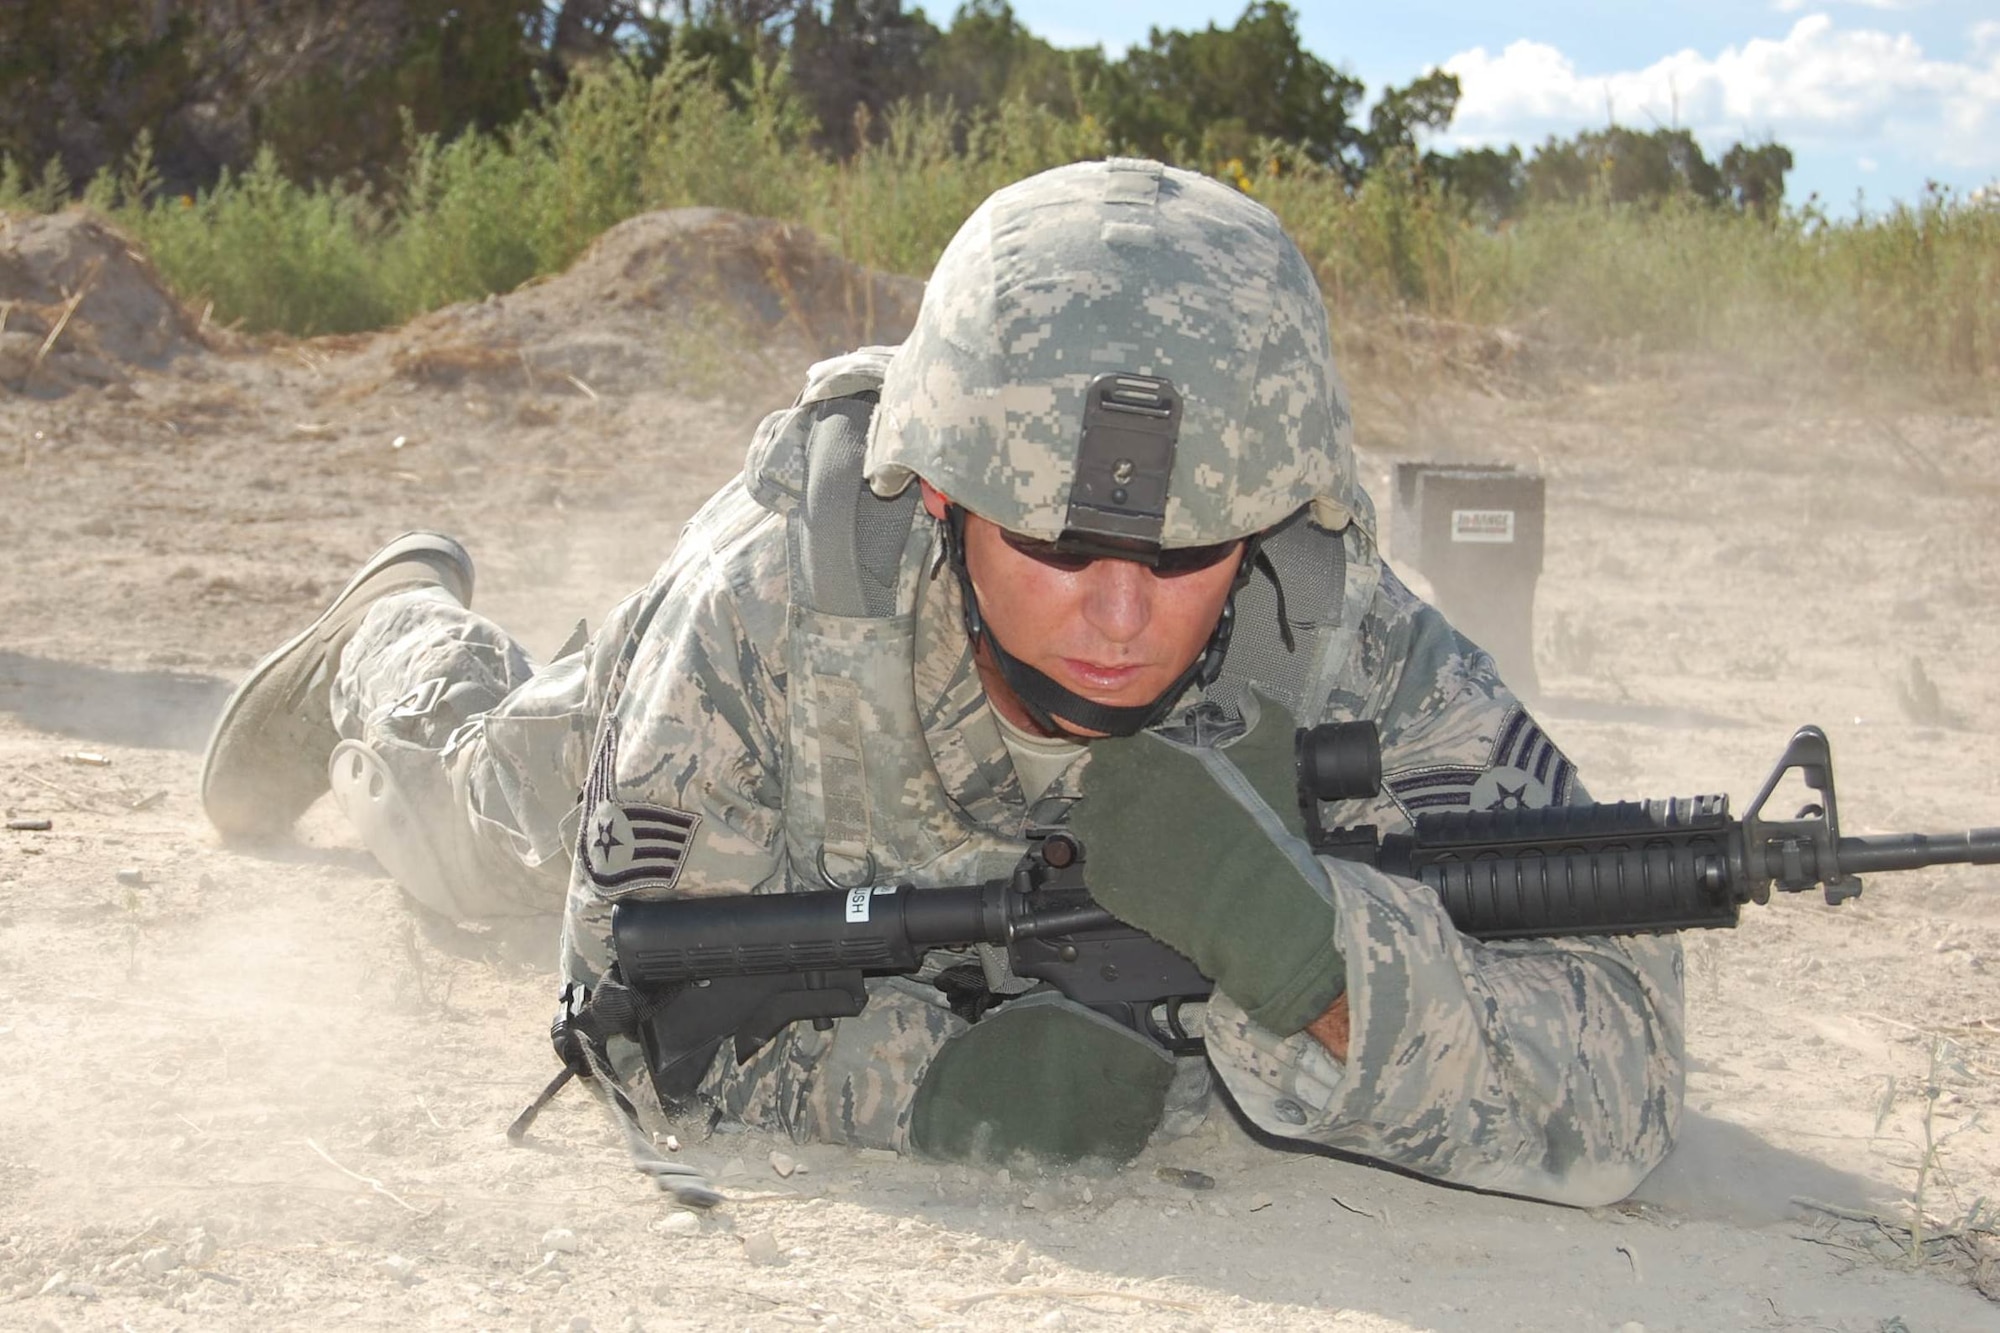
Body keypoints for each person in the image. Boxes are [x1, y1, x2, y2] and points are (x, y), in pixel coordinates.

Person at [201, 159, 1683, 1206]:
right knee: (470, 827)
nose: (1119, 612)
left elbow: (1626, 1062)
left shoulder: (1334, 618)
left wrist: (1323, 971)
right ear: (942, 498)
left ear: (1269, 518)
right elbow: (629, 1009)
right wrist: (925, 1090)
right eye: (1057, 541)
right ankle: (392, 631)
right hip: (658, 729)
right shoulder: (777, 599)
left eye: (1184, 557)